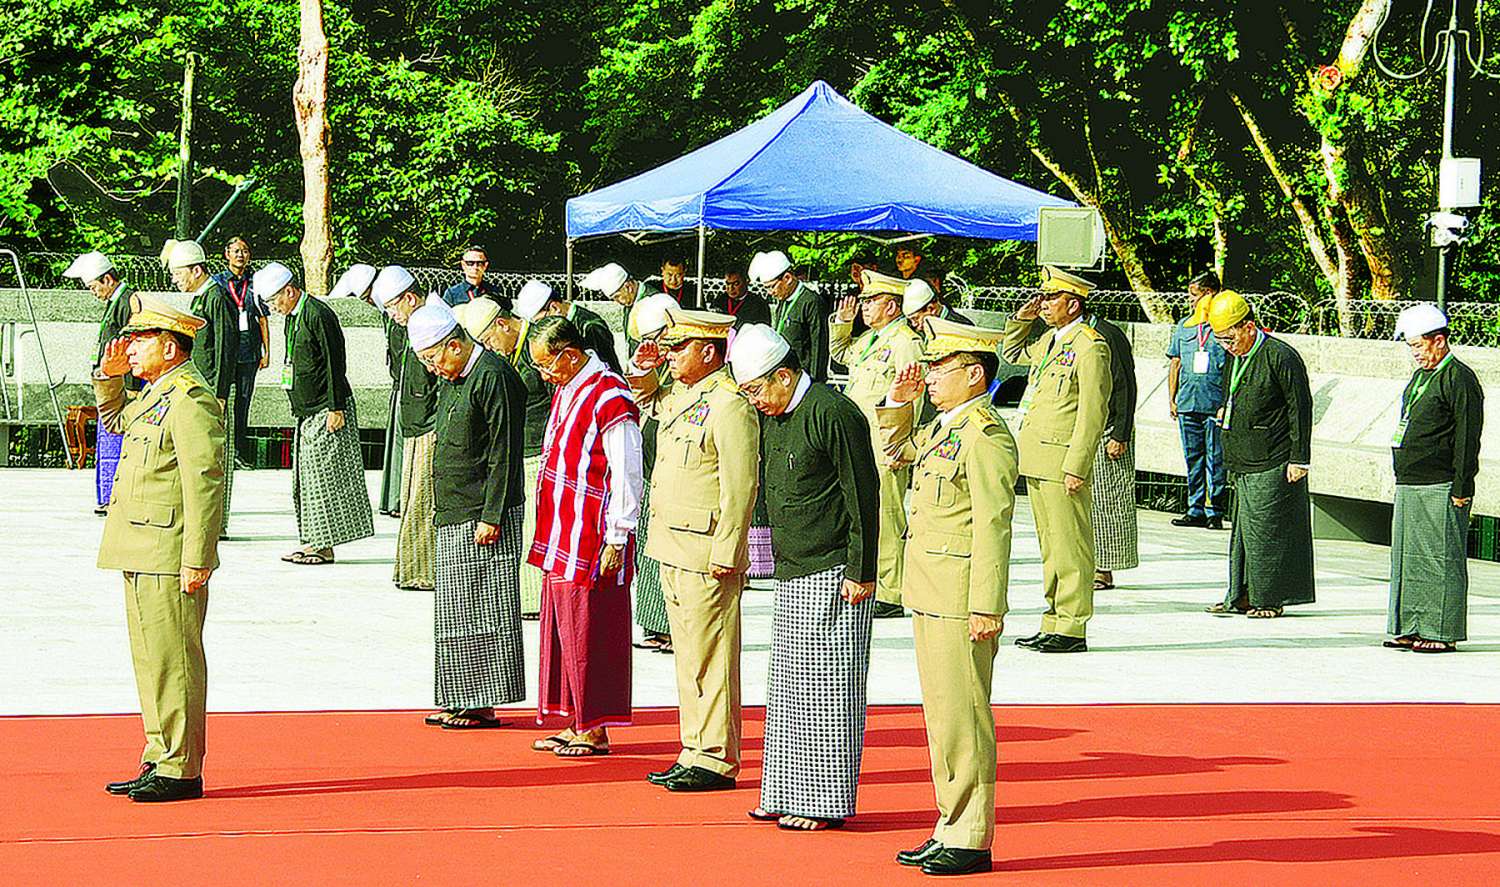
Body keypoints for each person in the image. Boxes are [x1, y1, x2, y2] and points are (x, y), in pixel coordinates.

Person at [879, 317, 1019, 877]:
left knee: (965, 718)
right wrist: (900, 400)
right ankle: (949, 823)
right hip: (931, 588)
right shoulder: (945, 426)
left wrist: (987, 603)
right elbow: (892, 452)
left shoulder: (985, 435)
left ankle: (971, 834)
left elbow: (994, 524)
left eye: (941, 368)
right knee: (942, 716)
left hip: (962, 596)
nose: (931, 376)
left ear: (975, 374)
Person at [729, 324, 880, 832]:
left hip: (835, 568)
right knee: (789, 690)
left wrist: (862, 571)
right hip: (793, 567)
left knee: (831, 692)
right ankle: (782, 791)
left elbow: (862, 493)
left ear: (784, 375)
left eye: (756, 390)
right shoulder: (774, 415)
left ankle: (824, 802)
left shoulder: (832, 412)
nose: (755, 402)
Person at [94, 293, 226, 803]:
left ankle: (181, 767)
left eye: (141, 339)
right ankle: (160, 754)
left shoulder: (190, 399)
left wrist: (198, 558)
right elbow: (115, 422)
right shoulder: (157, 394)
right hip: (139, 546)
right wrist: (109, 380)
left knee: (175, 662)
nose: (129, 347)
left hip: (169, 551)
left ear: (170, 347)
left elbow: (205, 481)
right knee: (151, 660)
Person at [628, 307, 759, 792]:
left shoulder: (729, 404)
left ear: (708, 351)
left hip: (707, 549)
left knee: (712, 655)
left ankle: (717, 755)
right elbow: (645, 397)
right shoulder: (684, 395)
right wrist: (643, 366)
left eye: (678, 347)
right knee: (687, 655)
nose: (670, 355)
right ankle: (694, 747)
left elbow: (740, 485)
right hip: (673, 543)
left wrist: (729, 548)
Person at [526, 316, 644, 756]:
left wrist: (618, 534)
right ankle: (575, 717)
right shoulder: (568, 387)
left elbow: (627, 469)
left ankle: (595, 727)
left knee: (590, 630)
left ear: (570, 355)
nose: (544, 375)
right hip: (561, 529)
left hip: (592, 532)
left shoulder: (609, 394)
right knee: (562, 629)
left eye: (547, 365)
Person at [408, 299, 529, 729]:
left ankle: (481, 702)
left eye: (434, 358)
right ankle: (458, 696)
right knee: (454, 612)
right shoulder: (454, 377)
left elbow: (503, 451)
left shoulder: (492, 376)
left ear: (455, 345)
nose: (433, 368)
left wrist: (492, 515)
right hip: (454, 508)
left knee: (485, 608)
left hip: (483, 512)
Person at [1001, 266, 1110, 654]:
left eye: (1050, 298)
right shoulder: (1050, 339)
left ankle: (1072, 625)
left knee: (1070, 546)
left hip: (1062, 459)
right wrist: (1021, 319)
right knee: (1050, 547)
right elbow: (1011, 353)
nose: (1043, 304)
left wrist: (1077, 465)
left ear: (1073, 304)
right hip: (1037, 455)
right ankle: (1053, 619)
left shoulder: (1089, 346)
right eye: (1043, 297)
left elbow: (1093, 412)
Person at [1205, 291, 1315, 619]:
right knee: (1243, 532)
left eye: (1229, 339)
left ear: (1249, 327)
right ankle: (1240, 595)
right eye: (1221, 341)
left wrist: (1299, 458)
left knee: (1268, 529)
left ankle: (1269, 599)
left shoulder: (1280, 356)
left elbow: (1300, 407)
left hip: (1273, 456)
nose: (1227, 346)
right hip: (1242, 455)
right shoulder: (1235, 356)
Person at [256, 263, 375, 566]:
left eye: (274, 300)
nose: (273, 308)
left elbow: (335, 363)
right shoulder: (292, 318)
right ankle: (310, 540)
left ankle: (324, 546)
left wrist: (336, 407)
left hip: (327, 408)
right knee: (305, 480)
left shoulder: (318, 314)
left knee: (323, 480)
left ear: (289, 291)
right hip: (306, 410)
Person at [829, 269, 926, 619]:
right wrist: (843, 324)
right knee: (864, 512)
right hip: (860, 441)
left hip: (884, 441)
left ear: (892, 305)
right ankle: (871, 579)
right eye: (865, 301)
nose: (865, 307)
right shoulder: (871, 339)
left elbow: (913, 395)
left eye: (871, 301)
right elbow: (841, 354)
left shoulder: (905, 342)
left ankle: (891, 589)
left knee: (887, 514)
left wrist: (901, 441)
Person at [1386, 304, 1484, 654]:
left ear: (1439, 341)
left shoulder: (1459, 378)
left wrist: (1462, 485)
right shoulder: (1420, 377)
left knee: (1438, 558)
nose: (1415, 353)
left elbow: (1468, 436)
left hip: (1440, 482)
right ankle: (1408, 625)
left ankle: (1440, 630)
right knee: (1407, 558)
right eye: (1411, 347)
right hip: (1410, 479)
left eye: (1418, 346)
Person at [372, 266, 440, 590]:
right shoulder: (412, 323)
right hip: (415, 424)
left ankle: (423, 572)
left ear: (410, 298)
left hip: (430, 426)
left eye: (392, 306)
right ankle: (410, 570)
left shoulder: (435, 321)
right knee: (411, 499)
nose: (391, 315)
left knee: (423, 502)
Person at [164, 239, 237, 536]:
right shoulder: (200, 298)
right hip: (200, 387)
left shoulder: (216, 298)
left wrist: (220, 393)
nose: (175, 280)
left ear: (196, 270)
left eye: (178, 274)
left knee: (216, 456)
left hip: (214, 391)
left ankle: (217, 521)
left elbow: (225, 347)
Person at [623, 295, 679, 652]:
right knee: (646, 546)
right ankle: (654, 623)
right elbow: (644, 398)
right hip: (648, 463)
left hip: (676, 467)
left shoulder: (688, 357)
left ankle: (672, 627)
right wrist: (642, 367)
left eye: (656, 336)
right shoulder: (654, 357)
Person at [63, 250, 135, 514]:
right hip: (109, 382)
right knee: (107, 443)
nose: (93, 292)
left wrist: (130, 385)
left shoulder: (127, 302)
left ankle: (113, 497)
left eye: (94, 286)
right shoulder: (115, 302)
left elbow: (130, 345)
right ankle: (106, 495)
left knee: (115, 441)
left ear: (107, 279)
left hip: (119, 385)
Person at [333, 263, 403, 517]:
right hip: (398, 384)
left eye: (367, 297)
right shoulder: (388, 314)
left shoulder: (398, 314)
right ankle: (393, 500)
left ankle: (398, 500)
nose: (369, 303)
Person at [1167, 271, 1228, 529]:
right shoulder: (1185, 326)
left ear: (1210, 293)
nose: (1191, 300)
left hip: (1214, 403)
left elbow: (1232, 365)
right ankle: (1195, 509)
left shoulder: (1224, 325)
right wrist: (1172, 399)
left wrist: (1227, 402)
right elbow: (1175, 362)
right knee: (1193, 458)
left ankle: (1214, 511)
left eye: (1195, 295)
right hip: (1188, 401)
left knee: (1215, 459)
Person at [1086, 312, 1138, 591]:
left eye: (1052, 299)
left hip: (1108, 428)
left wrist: (1120, 433)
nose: (1045, 306)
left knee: (1106, 500)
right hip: (1077, 428)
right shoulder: (1062, 337)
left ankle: (1103, 568)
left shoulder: (1107, 334)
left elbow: (1125, 384)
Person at [212, 237, 269, 468]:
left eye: (244, 251)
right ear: (227, 254)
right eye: (236, 251)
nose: (240, 255)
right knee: (219, 399)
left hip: (249, 351)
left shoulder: (255, 283)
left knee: (243, 403)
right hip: (225, 351)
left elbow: (262, 318)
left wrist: (266, 351)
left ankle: (238, 452)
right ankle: (218, 450)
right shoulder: (218, 283)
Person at [750, 249, 828, 382]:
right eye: (766, 288)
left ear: (787, 278)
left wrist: (816, 381)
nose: (770, 292)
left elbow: (819, 345)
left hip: (803, 376)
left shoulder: (811, 301)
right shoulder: (783, 300)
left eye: (771, 287)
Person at [512, 279, 620, 373]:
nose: (542, 325)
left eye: (540, 320)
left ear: (554, 308)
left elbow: (607, 370)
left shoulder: (590, 327)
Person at [443, 245, 509, 309]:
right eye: (470, 263)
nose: (475, 267)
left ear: (485, 265)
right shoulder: (452, 293)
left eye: (480, 263)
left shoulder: (494, 291)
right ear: (463, 265)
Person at [707, 269, 772, 329]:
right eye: (728, 284)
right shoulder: (719, 301)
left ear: (746, 282)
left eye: (736, 284)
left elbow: (763, 330)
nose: (731, 288)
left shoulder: (759, 304)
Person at [581, 261, 654, 314]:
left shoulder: (652, 303)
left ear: (628, 287)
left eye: (617, 296)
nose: (617, 302)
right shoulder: (631, 303)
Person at [904, 278, 974, 331]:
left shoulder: (961, 328)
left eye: (916, 318)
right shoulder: (929, 328)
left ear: (931, 309)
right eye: (911, 320)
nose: (914, 324)